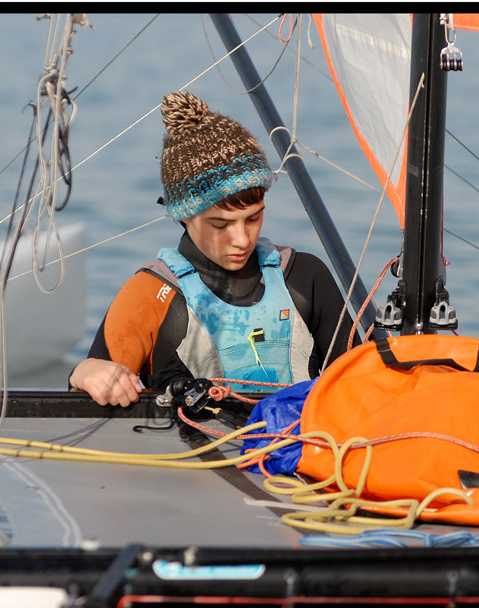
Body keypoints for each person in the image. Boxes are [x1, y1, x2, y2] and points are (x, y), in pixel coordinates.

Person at [69, 91, 358, 406]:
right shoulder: (149, 294)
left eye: (253, 218)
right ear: (183, 214)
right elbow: (89, 397)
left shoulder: (304, 277)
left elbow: (362, 385)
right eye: (220, 225)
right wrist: (84, 372)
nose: (242, 239)